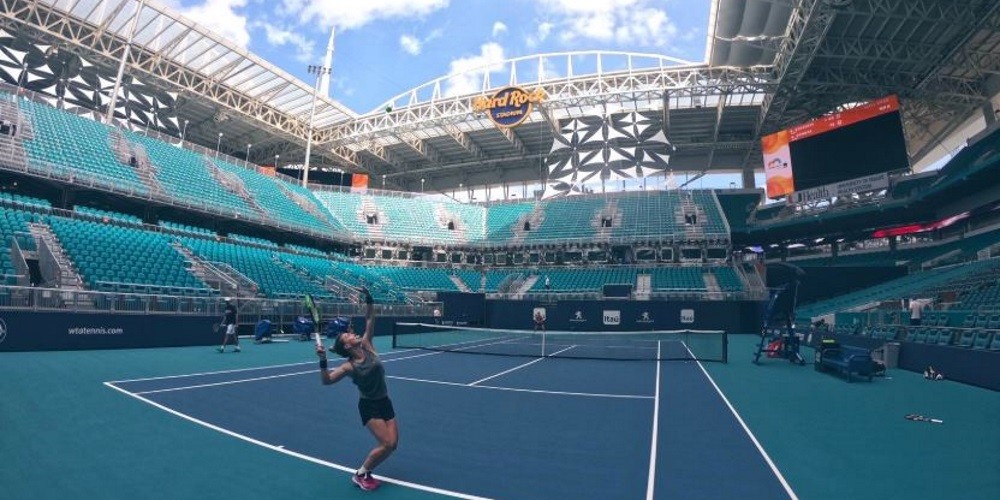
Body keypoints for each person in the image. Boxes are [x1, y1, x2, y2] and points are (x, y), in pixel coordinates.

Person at [316, 288, 397, 492]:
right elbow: (327, 381)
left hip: (385, 401)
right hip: (369, 406)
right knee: (386, 444)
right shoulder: (349, 367)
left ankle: (366, 472)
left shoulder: (367, 345)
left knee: (393, 444)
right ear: (347, 346)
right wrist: (323, 361)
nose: (353, 333)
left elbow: (370, 318)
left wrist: (369, 299)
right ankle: (360, 474)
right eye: (349, 335)